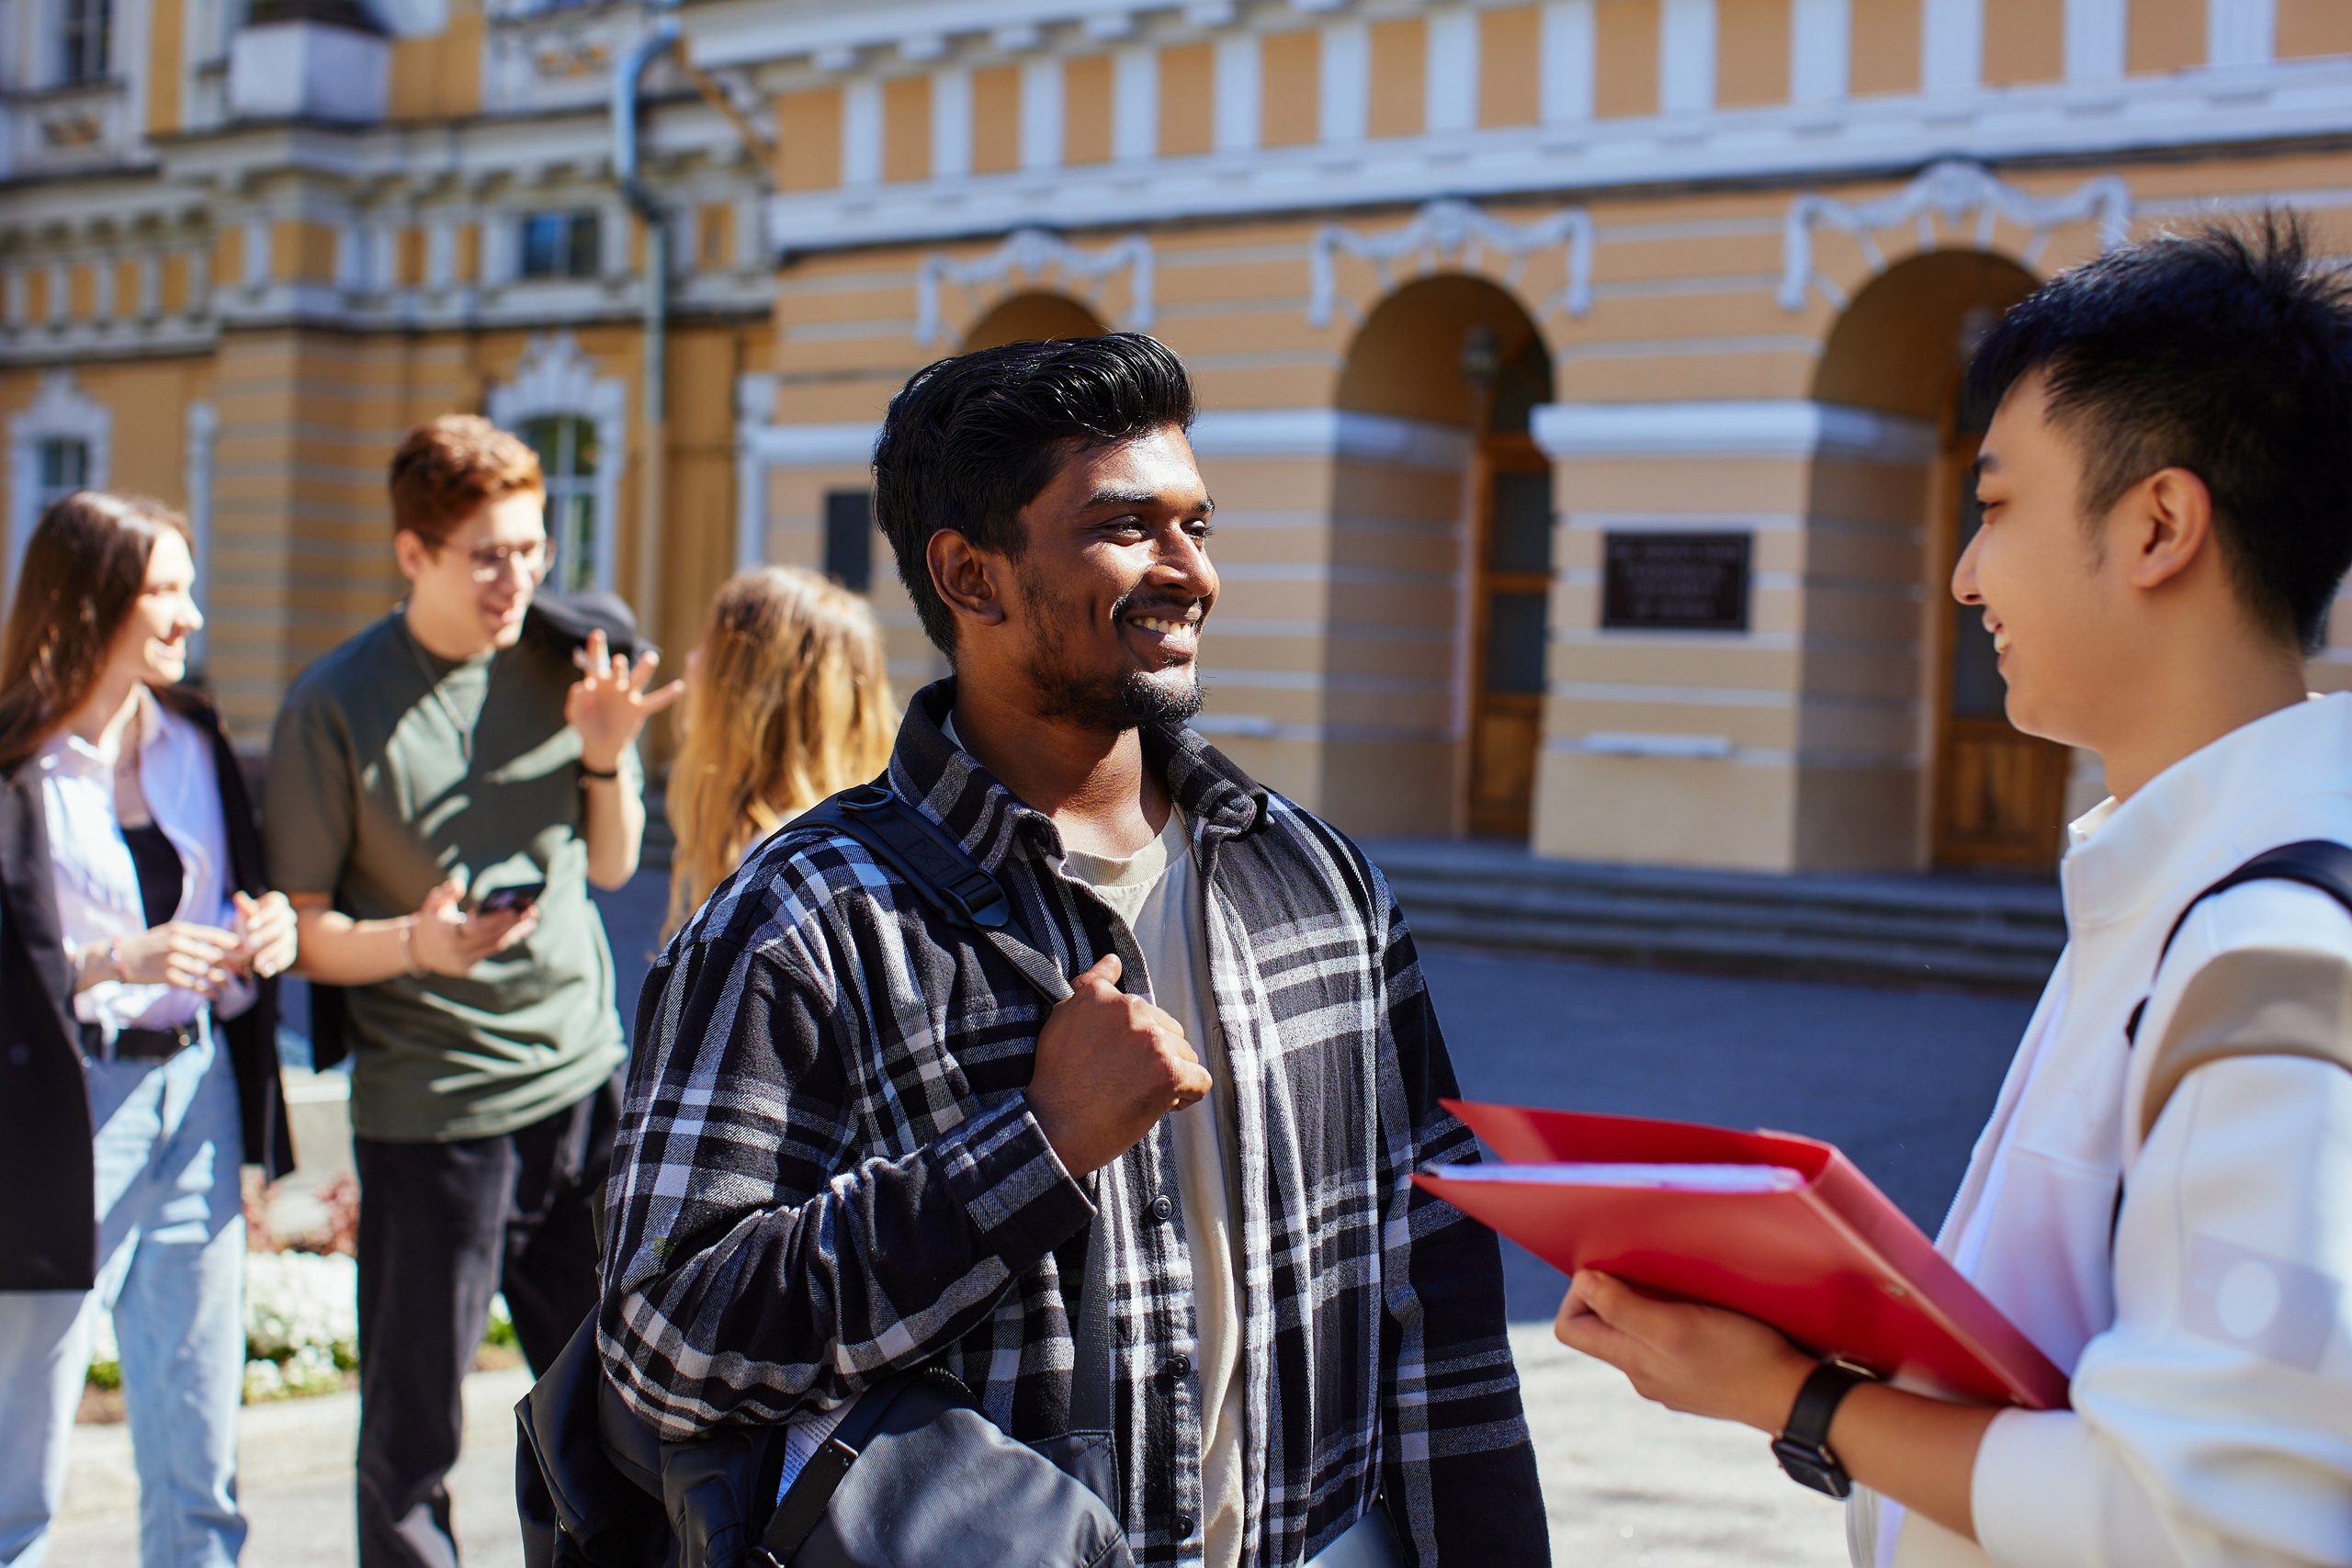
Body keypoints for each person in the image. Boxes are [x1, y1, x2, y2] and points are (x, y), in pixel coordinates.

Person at [600, 333, 1548, 1568]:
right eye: (1126, 528)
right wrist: (1035, 1148)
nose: (1190, 572)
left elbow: (1439, 1286)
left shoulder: (1318, 885)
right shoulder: (806, 921)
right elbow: (667, 1339)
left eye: (1195, 525)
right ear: (970, 575)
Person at [1552, 217, 2352, 1566]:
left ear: (2159, 524)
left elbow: (2214, 1523)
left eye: (1994, 507)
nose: (1967, 574)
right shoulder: (2182, 882)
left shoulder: (2268, 948)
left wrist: (1797, 1398)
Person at [263, 415, 681, 1568]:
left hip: (583, 1087)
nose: (519, 579)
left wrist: (605, 750)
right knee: (412, 1445)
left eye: (533, 549)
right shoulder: (331, 706)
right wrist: (418, 944)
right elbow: (300, 935)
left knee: (625, 1415)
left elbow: (611, 866)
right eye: (487, 556)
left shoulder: (564, 658)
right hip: (433, 1119)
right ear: (413, 553)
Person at [0, 492, 299, 1568]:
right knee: (18, 1460)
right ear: (90, 603)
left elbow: (241, 897)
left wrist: (268, 930)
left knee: (198, 1455)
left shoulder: (197, 739)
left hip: (199, 1092)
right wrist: (112, 962)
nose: (191, 615)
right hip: (60, 1110)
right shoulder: (15, 765)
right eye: (165, 591)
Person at [663, 564, 895, 937]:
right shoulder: (857, 838)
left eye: (711, 647)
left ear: (746, 690)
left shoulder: (777, 871)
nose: (691, 661)